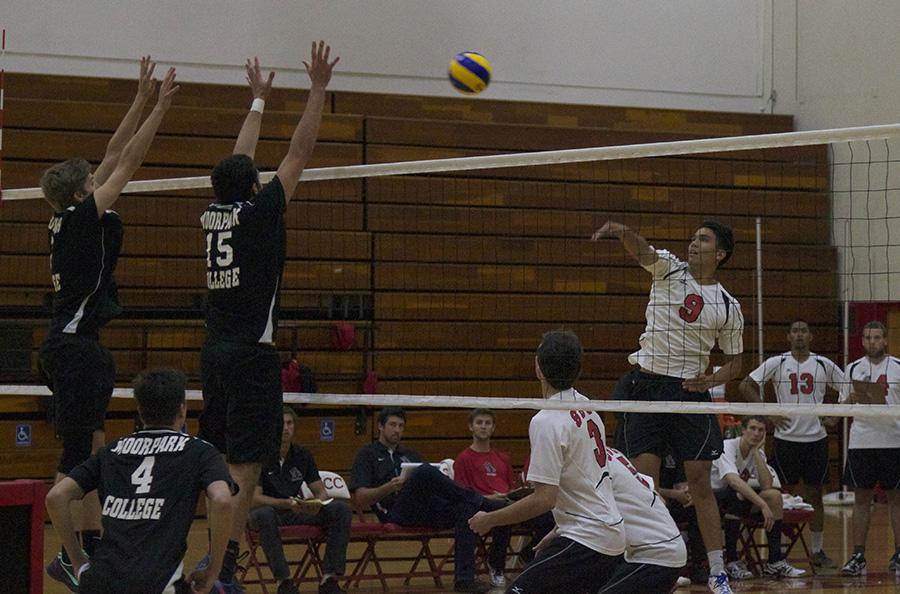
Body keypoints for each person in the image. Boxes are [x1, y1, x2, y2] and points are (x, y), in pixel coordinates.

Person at [198, 43, 338, 592]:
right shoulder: (259, 215)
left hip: (214, 354)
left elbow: (237, 165)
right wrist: (318, 91)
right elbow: (298, 154)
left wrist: (257, 103)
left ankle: (211, 562)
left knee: (221, 466)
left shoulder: (215, 213)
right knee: (244, 469)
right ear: (253, 186)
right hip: (253, 358)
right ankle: (222, 569)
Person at [38, 58, 179, 591]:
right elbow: (128, 162)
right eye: (92, 182)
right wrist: (162, 109)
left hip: (71, 345)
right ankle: (68, 556)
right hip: (75, 347)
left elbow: (114, 153)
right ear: (81, 195)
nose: (101, 179)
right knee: (78, 453)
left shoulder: (68, 215)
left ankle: (94, 549)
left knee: (93, 444)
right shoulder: (80, 219)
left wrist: (140, 99)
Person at [592, 220, 744, 594]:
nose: (693, 243)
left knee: (700, 485)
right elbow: (642, 250)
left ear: (720, 254)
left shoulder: (727, 305)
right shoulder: (669, 269)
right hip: (646, 385)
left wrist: (710, 381)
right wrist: (623, 230)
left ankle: (718, 571)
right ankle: (652, 561)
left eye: (703, 239)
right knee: (644, 483)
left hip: (690, 393)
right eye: (693, 237)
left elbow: (736, 363)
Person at [45, 369, 234, 594]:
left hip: (98, 582)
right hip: (157, 584)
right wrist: (214, 569)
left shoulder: (111, 451)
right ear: (182, 409)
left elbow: (56, 497)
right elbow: (222, 500)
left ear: (139, 409)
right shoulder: (199, 451)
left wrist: (77, 561)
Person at [468, 330, 627, 594]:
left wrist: (490, 519)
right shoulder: (588, 406)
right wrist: (558, 528)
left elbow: (544, 499)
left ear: (538, 367)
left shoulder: (546, 421)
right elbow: (584, 481)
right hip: (607, 533)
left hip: (587, 539)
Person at [350, 407, 500, 593]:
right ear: (380, 426)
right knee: (424, 471)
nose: (397, 430)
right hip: (395, 512)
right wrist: (389, 487)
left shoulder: (410, 454)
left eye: (401, 426)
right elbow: (360, 499)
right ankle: (482, 501)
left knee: (465, 508)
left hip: (425, 509)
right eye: (392, 425)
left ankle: (464, 579)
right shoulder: (367, 455)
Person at [738, 319, 844, 567]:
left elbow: (847, 389)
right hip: (786, 440)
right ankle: (778, 550)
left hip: (815, 439)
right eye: (795, 331)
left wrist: (835, 416)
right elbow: (746, 385)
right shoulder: (778, 362)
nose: (799, 335)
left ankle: (817, 550)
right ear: (788, 337)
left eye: (804, 331)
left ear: (811, 336)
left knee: (815, 495)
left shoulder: (822, 363)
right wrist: (768, 414)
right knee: (779, 494)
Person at [249, 407, 352, 594]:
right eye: (282, 424)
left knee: (340, 509)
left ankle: (329, 578)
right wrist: (284, 503)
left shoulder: (302, 455)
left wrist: (314, 504)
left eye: (290, 423)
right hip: (269, 511)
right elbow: (254, 499)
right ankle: (284, 581)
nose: (286, 428)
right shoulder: (260, 455)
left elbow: (321, 492)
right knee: (264, 515)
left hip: (296, 510)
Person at [454, 408, 555, 587]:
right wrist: (488, 497)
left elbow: (512, 488)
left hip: (508, 501)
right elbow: (461, 495)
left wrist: (514, 494)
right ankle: (497, 566)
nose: (483, 427)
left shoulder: (502, 458)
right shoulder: (463, 458)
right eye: (479, 423)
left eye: (488, 423)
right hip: (482, 506)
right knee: (504, 512)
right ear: (471, 427)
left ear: (493, 428)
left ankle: (527, 556)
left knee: (548, 513)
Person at [839, 320, 900, 576]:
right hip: (862, 442)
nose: (871, 342)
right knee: (861, 499)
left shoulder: (898, 367)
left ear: (885, 340)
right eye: (867, 337)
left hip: (893, 441)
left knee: (896, 500)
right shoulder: (852, 368)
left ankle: (898, 554)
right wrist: (852, 398)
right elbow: (841, 407)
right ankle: (858, 555)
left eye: (876, 337)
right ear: (862, 341)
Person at [710, 415, 806, 579]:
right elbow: (733, 481)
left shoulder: (757, 451)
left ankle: (774, 561)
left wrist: (755, 452)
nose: (756, 433)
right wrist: (761, 505)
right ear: (743, 430)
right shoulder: (726, 446)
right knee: (738, 494)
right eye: (752, 429)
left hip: (737, 499)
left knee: (774, 496)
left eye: (761, 430)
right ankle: (731, 560)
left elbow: (767, 484)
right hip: (714, 499)